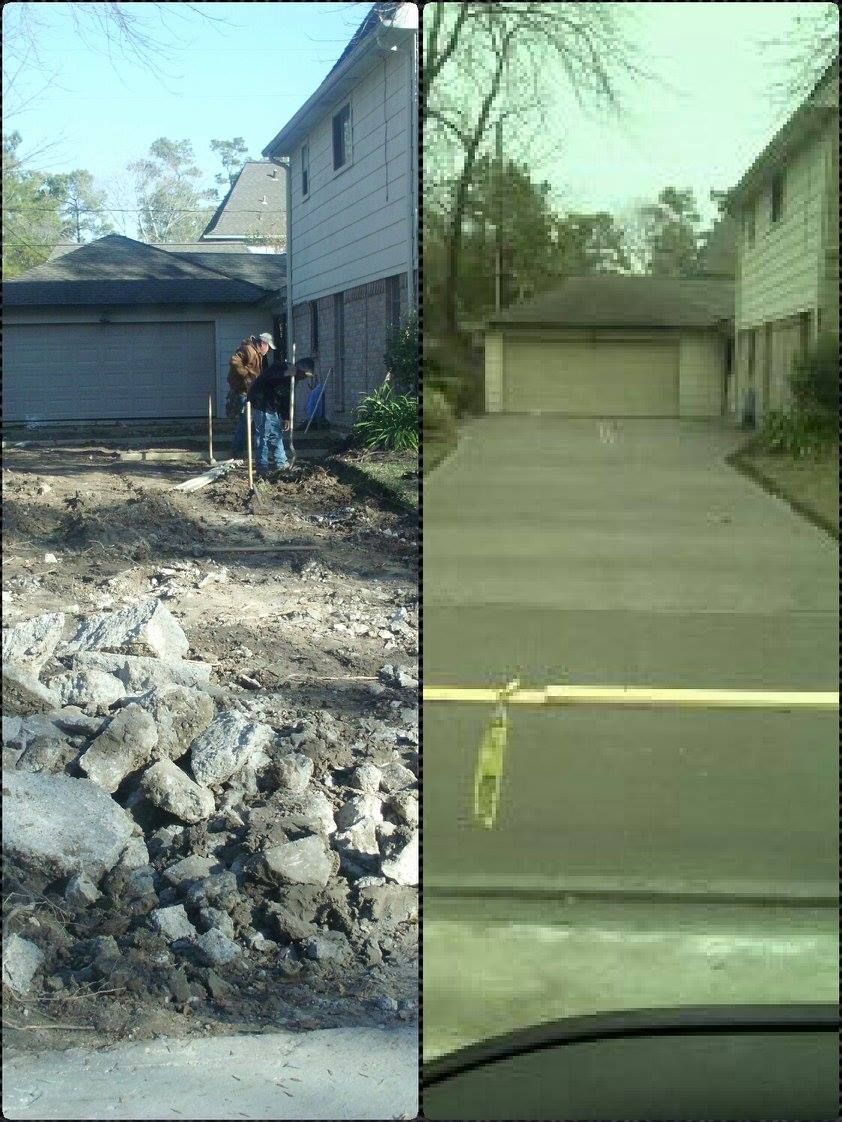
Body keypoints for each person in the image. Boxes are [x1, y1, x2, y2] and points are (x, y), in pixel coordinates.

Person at [227, 332, 275, 458]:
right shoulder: (249, 350)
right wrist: (247, 376)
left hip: (249, 391)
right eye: (268, 347)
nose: (268, 350)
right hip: (243, 392)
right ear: (262, 344)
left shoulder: (256, 353)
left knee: (249, 421)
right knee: (246, 421)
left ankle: (242, 449)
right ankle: (236, 451)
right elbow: (234, 361)